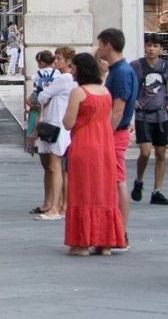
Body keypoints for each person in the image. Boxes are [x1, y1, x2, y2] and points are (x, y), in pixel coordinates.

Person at [62, 53, 126, 256]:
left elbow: (68, 122)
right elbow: (108, 119)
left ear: (81, 69)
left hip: (83, 145)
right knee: (103, 191)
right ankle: (104, 241)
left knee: (82, 191)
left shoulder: (78, 92)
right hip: (104, 145)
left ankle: (82, 242)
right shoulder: (106, 92)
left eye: (73, 68)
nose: (71, 71)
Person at [98, 27, 139, 247]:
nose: (98, 49)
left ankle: (121, 231)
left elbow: (118, 109)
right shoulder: (120, 70)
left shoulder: (121, 72)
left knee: (117, 181)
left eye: (100, 44)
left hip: (116, 133)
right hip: (118, 131)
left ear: (108, 45)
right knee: (115, 181)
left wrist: (106, 134)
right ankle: (118, 230)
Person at [131, 34, 168, 206]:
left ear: (160, 49)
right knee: (145, 151)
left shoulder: (165, 66)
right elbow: (130, 83)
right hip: (143, 114)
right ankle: (139, 180)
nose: (151, 49)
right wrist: (132, 100)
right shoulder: (136, 65)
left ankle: (157, 189)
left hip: (160, 114)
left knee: (161, 152)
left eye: (155, 46)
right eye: (149, 45)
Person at [33, 46, 75, 220]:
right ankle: (55, 203)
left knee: (55, 166)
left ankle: (56, 206)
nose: (56, 62)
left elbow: (42, 96)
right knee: (54, 166)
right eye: (55, 58)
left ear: (68, 61)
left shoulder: (64, 78)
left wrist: (45, 96)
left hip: (56, 124)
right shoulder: (64, 78)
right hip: (53, 122)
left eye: (59, 59)